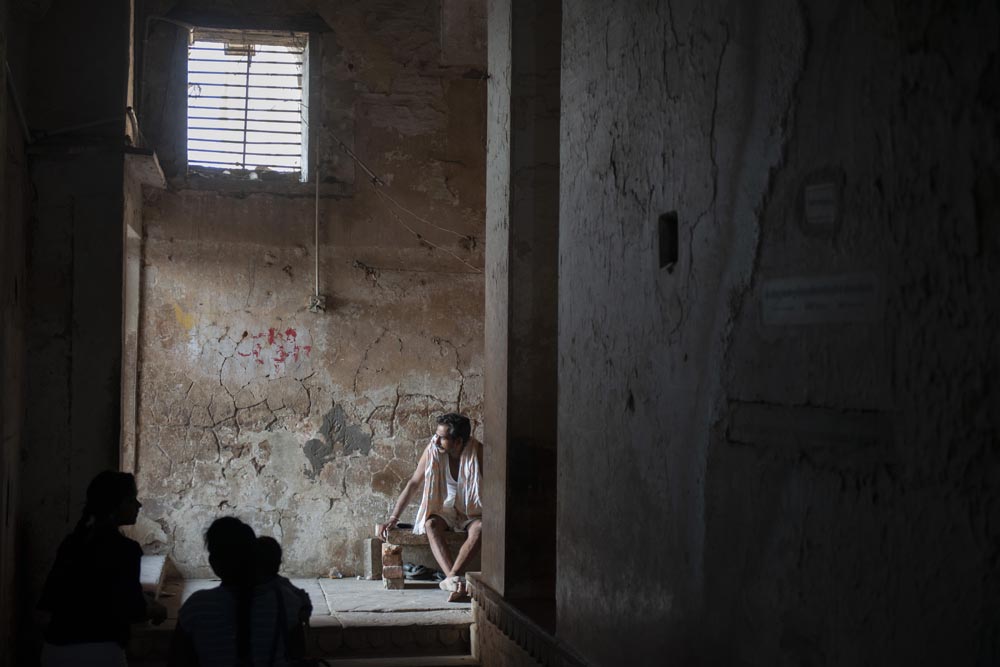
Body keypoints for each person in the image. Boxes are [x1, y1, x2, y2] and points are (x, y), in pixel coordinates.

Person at [38, 470, 167, 667]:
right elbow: (132, 610)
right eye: (131, 500)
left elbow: (50, 600)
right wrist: (156, 610)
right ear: (115, 507)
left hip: (55, 650)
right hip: (100, 652)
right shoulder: (126, 550)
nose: (138, 506)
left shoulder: (72, 542)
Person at [168, 518, 311, 667]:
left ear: (214, 563)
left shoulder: (196, 608)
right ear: (255, 558)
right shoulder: (286, 601)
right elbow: (298, 653)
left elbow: (177, 660)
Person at [377, 413, 483, 601]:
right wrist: (393, 518)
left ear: (458, 441)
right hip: (447, 509)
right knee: (430, 524)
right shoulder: (433, 450)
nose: (436, 440)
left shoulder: (479, 453)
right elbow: (413, 484)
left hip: (471, 508)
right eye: (436, 435)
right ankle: (453, 580)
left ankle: (451, 578)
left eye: (442, 437)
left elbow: (497, 486)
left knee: (481, 528)